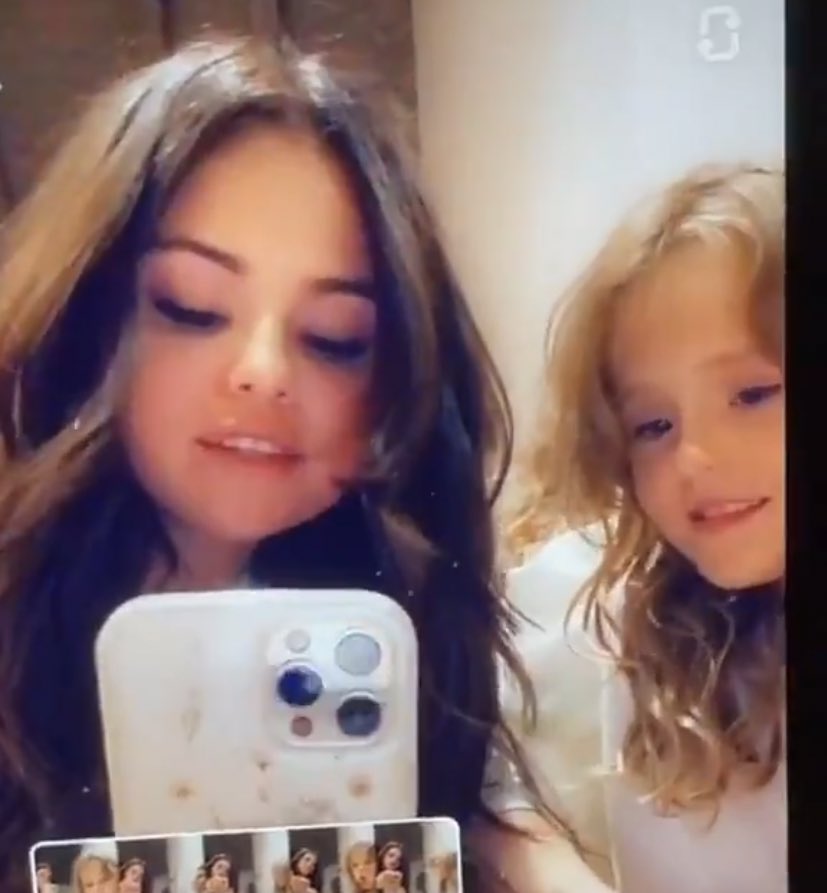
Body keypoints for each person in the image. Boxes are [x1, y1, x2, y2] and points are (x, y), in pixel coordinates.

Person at [0, 33, 559, 893]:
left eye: (335, 338)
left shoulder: (400, 621)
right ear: (87, 321)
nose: (264, 371)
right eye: (190, 306)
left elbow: (492, 811)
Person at [476, 164, 785, 893]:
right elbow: (482, 757)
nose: (693, 457)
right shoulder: (642, 630)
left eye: (752, 394)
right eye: (653, 425)